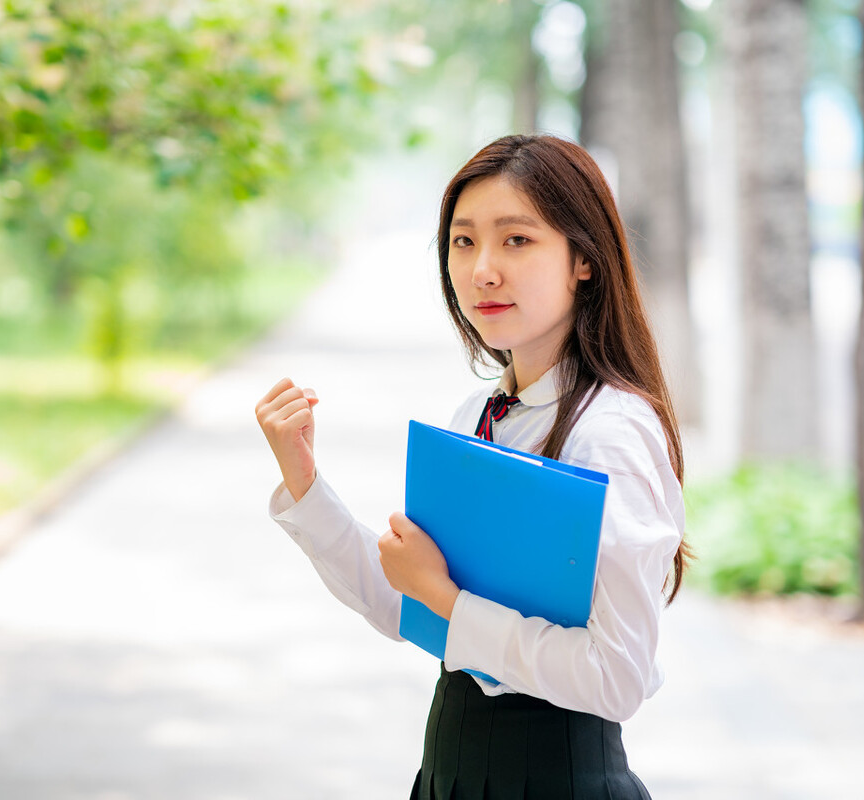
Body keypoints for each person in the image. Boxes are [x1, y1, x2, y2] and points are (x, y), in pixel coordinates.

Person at [254, 134, 688, 800]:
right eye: (463, 242)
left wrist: (448, 599)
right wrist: (305, 482)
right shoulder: (481, 413)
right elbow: (408, 605)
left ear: (585, 261)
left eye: (516, 240)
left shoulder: (610, 432)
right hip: (453, 774)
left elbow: (617, 678)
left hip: (554, 781)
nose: (483, 268)